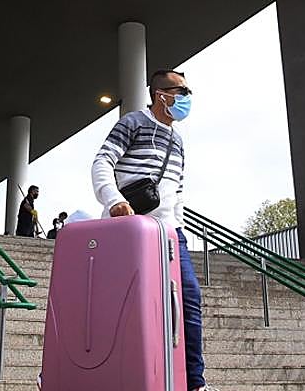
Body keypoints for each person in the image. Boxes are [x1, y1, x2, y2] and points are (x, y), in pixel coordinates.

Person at [91, 68, 214, 391]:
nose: (187, 98)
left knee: (188, 301)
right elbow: (102, 161)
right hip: (130, 228)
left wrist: (181, 231)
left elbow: (177, 190)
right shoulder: (133, 122)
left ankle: (195, 384)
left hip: (170, 233)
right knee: (115, 303)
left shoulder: (178, 140)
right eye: (182, 92)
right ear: (162, 95)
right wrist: (114, 201)